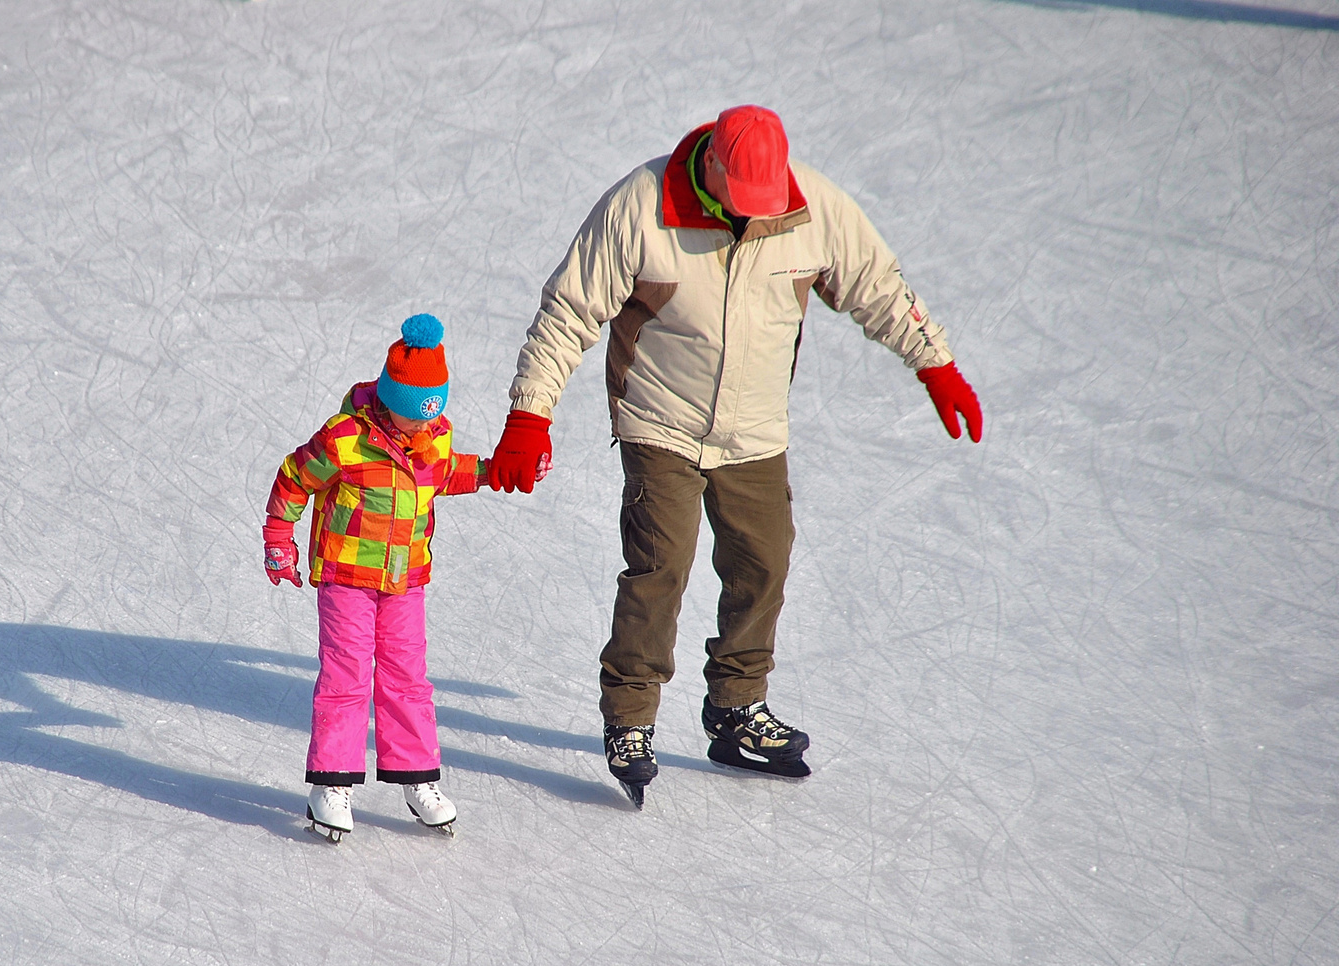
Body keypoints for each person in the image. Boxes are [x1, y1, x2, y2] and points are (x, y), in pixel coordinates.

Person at [486, 105, 983, 807]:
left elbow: (876, 283)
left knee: (765, 559)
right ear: (711, 165)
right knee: (662, 563)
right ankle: (630, 717)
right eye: (740, 203)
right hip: (660, 420)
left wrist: (934, 363)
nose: (752, 217)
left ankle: (736, 707)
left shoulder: (811, 207)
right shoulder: (642, 206)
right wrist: (528, 414)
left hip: (755, 431)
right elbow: (569, 310)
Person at [263, 314, 488, 842]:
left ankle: (417, 777)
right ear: (390, 401)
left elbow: (447, 471)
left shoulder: (433, 436)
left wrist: (492, 470)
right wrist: (279, 537)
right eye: (414, 419)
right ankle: (332, 784)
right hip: (347, 579)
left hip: (406, 581)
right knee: (346, 678)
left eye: (431, 417)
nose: (423, 429)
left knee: (408, 679)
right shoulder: (345, 439)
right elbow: (295, 478)